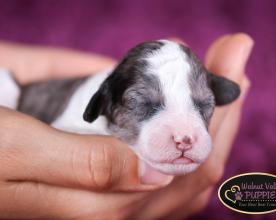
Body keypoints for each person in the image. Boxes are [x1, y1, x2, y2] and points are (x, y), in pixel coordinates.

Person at [0, 33, 253, 219]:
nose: (184, 136)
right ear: (105, 104)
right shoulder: (85, 109)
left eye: (201, 105)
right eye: (144, 104)